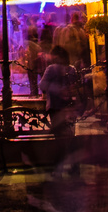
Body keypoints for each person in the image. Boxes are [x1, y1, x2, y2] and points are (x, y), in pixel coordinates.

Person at [41, 46, 79, 177]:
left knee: (59, 139)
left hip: (56, 107)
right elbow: (75, 87)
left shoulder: (51, 69)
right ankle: (74, 167)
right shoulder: (72, 69)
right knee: (70, 137)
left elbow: (42, 85)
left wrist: (56, 89)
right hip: (69, 106)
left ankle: (58, 169)